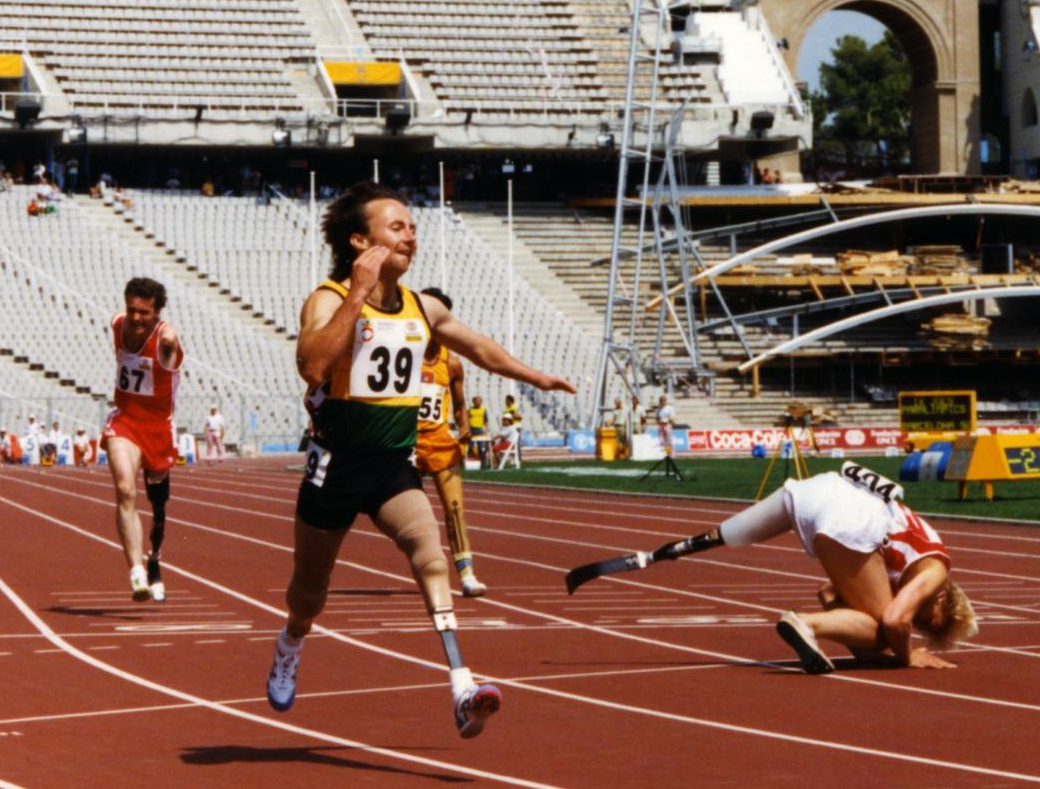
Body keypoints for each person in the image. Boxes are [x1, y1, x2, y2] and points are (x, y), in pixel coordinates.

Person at [268, 181, 575, 738]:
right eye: (397, 227)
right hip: (335, 466)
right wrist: (357, 294)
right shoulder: (328, 299)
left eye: (413, 226)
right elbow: (313, 367)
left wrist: (535, 377)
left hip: (390, 464)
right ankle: (291, 640)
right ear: (361, 241)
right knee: (310, 590)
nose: (411, 235)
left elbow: (478, 346)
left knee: (430, 554)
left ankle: (461, 683)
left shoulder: (422, 306)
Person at [588, 462, 977, 672]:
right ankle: (805, 624)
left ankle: (658, 554)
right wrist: (906, 655)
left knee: (718, 536)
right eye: (933, 620)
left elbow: (829, 593)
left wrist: (860, 649)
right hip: (851, 513)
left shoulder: (900, 568)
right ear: (943, 596)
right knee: (882, 631)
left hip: (813, 491)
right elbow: (895, 621)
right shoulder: (935, 569)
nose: (922, 624)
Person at [102, 277, 185, 604]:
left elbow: (169, 343)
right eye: (132, 310)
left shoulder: (165, 341)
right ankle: (135, 570)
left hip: (158, 430)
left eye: (145, 313)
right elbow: (117, 319)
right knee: (125, 488)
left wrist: (169, 338)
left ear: (158, 312)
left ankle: (154, 560)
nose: (136, 318)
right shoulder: (118, 323)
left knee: (158, 506)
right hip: (125, 422)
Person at [414, 288, 487, 598]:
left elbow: (459, 404)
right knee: (410, 516)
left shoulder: (452, 364)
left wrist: (466, 427)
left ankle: (467, 574)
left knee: (455, 508)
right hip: (407, 444)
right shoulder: (407, 356)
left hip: (441, 442)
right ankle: (424, 566)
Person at [465, 396, 489, 464]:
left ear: (481, 402)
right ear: (473, 402)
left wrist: (485, 430)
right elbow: (466, 419)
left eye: (479, 401)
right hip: (471, 429)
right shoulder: (470, 410)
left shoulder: (484, 410)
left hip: (480, 429)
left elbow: (486, 421)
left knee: (481, 446)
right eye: (476, 401)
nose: (478, 402)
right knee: (471, 446)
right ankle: (470, 461)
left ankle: (482, 461)